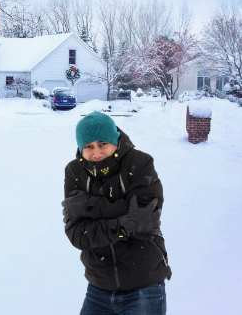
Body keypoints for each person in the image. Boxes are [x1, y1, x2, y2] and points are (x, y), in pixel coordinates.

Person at [63, 111, 172, 315]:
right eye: (88, 146)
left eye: (102, 144)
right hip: (99, 287)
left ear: (114, 141)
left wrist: (89, 206)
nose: (96, 152)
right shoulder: (74, 172)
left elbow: (145, 220)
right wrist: (124, 221)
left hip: (143, 285)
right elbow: (78, 235)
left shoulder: (140, 163)